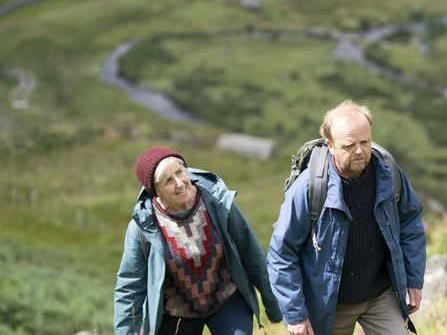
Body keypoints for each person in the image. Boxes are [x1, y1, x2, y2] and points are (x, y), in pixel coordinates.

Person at [267, 100, 427, 335]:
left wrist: (414, 279)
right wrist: (296, 315)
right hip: (331, 303)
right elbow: (281, 253)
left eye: (365, 142)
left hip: (379, 295)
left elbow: (410, 221)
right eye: (350, 145)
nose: (360, 151)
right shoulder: (309, 188)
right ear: (330, 145)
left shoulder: (388, 172)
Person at [114, 146, 282, 334]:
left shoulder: (218, 203)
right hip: (175, 314)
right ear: (156, 191)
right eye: (168, 180)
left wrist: (273, 307)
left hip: (226, 301)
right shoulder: (143, 226)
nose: (179, 183)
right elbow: (130, 286)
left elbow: (251, 254)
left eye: (180, 172)